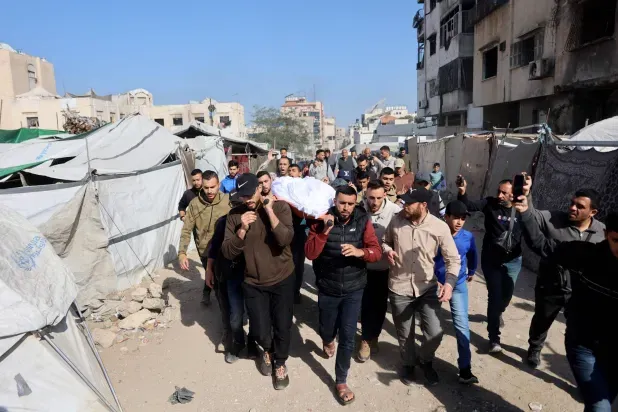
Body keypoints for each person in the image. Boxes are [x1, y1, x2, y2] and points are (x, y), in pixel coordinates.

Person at [519, 208, 618, 411]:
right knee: (601, 407)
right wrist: (525, 211)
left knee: (602, 400)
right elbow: (541, 244)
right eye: (617, 240)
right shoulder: (587, 254)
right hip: (583, 344)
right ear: (607, 234)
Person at [515, 180, 605, 368]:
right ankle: (535, 348)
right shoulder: (554, 218)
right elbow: (532, 215)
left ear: (593, 212)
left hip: (580, 292)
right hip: (550, 285)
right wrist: (527, 196)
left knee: (580, 328)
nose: (572, 208)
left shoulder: (602, 233)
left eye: (580, 206)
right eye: (572, 203)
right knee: (542, 320)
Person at [305, 185, 382, 405]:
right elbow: (310, 253)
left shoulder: (363, 220)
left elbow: (376, 252)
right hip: (328, 287)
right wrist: (325, 231)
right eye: (342, 203)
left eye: (350, 204)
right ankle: (327, 339)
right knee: (327, 328)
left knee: (347, 336)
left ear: (356, 203)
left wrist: (360, 252)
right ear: (335, 202)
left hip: (353, 289)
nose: (346, 208)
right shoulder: (320, 219)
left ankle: (341, 381)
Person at [221, 173, 295, 390]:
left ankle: (280, 363)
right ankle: (268, 350)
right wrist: (242, 229)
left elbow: (285, 239)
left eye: (250, 194)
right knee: (261, 329)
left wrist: (269, 211)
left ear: (259, 188)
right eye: (243, 196)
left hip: (282, 277)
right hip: (253, 282)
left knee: (282, 325)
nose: (247, 200)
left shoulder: (280, 207)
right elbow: (228, 252)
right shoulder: (235, 215)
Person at [383, 188, 461, 385]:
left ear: (423, 205)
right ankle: (408, 364)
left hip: (427, 288)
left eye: (410, 203)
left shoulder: (439, 227)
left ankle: (425, 360)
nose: (405, 206)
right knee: (404, 333)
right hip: (399, 287)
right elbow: (385, 241)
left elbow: (453, 259)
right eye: (404, 202)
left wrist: (449, 284)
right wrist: (388, 250)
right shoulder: (396, 220)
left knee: (435, 333)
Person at [457, 175, 522, 353]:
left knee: (506, 296)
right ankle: (494, 338)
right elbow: (468, 206)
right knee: (495, 296)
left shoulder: (522, 210)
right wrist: (462, 191)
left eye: (504, 193)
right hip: (491, 259)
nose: (500, 195)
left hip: (513, 261)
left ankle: (498, 312)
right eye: (498, 191)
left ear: (513, 194)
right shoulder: (490, 203)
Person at [435, 201, 479, 384]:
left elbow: (473, 255)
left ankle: (465, 369)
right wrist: (434, 280)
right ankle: (424, 361)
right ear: (446, 217)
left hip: (458, 285)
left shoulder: (467, 237)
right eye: (456, 218)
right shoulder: (436, 234)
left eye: (463, 218)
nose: (459, 222)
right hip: (435, 285)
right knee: (431, 327)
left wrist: (472, 271)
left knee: (462, 326)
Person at [357, 181, 401, 363]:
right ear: (365, 196)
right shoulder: (359, 210)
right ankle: (366, 338)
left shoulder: (395, 212)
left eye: (378, 198)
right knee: (365, 304)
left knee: (380, 305)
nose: (374, 202)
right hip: (362, 266)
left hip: (384, 268)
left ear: (385, 196)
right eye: (370, 198)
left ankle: (372, 336)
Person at [205, 213, 257, 363]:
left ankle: (253, 342)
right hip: (233, 274)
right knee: (235, 315)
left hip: (256, 275)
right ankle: (238, 341)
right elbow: (215, 247)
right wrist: (209, 269)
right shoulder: (224, 221)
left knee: (256, 313)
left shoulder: (260, 219)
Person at [178, 171, 231, 306]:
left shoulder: (227, 201)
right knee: (214, 278)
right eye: (206, 188)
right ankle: (218, 303)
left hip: (224, 250)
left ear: (219, 185)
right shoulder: (195, 204)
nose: (209, 191)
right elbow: (186, 229)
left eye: (212, 187)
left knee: (224, 281)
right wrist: (182, 253)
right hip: (205, 251)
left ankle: (228, 310)